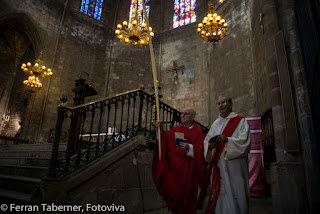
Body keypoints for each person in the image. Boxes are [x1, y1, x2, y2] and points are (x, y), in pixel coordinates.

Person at [200, 96, 251, 214]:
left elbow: (245, 141)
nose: (221, 105)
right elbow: (207, 140)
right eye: (218, 103)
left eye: (223, 102)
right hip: (218, 165)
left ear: (230, 105)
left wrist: (227, 139)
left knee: (235, 191)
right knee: (221, 194)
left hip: (234, 166)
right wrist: (210, 146)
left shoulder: (240, 121)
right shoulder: (215, 123)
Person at [152, 107, 206, 214]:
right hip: (176, 171)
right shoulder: (176, 130)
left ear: (193, 116)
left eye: (186, 113)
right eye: (182, 113)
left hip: (190, 172)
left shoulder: (198, 132)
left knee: (188, 202)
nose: (182, 115)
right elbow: (165, 138)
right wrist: (160, 130)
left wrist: (190, 148)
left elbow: (202, 149)